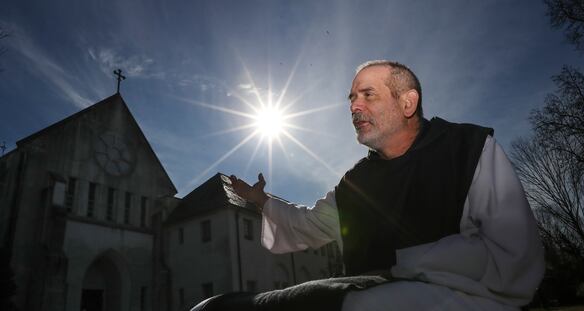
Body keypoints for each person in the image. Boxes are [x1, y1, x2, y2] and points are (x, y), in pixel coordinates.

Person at [192, 60, 545, 311]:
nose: (354, 106)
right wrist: (261, 201)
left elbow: (513, 259)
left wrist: (400, 266)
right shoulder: (356, 183)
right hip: (366, 294)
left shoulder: (469, 149)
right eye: (351, 99)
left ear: (408, 102)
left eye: (368, 95)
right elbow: (308, 225)